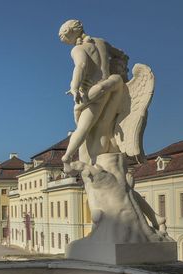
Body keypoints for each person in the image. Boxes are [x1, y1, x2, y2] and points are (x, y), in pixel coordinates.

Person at [58, 19, 129, 171]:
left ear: (71, 33)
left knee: (83, 128)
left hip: (91, 91)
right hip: (105, 87)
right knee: (96, 126)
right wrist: (119, 68)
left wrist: (74, 86)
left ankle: (67, 156)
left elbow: (81, 65)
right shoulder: (102, 42)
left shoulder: (78, 49)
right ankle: (77, 156)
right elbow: (121, 55)